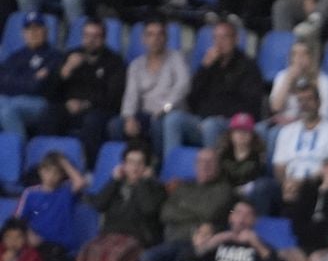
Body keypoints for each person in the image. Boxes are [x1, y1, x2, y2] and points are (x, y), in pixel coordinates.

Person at [167, 19, 268, 155]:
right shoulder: (209, 65)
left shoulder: (248, 66)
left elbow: (250, 104)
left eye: (225, 37)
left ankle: (212, 172)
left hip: (230, 124)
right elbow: (192, 98)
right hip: (201, 121)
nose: (220, 42)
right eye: (216, 38)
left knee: (211, 125)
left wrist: (218, 116)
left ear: (236, 39)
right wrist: (204, 69)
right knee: (174, 119)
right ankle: (171, 167)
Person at [53, 18, 126, 161]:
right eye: (87, 36)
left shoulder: (114, 61)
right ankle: (47, 164)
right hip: (69, 106)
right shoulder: (71, 56)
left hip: (98, 109)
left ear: (104, 38)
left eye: (96, 36)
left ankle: (90, 166)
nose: (91, 40)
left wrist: (85, 104)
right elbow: (51, 91)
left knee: (92, 121)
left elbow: (113, 97)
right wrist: (66, 70)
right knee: (51, 113)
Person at [120, 21, 191, 152]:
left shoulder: (177, 58)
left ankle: (160, 166)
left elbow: (183, 85)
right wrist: (129, 118)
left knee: (159, 124)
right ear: (144, 39)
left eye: (160, 35)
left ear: (166, 38)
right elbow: (131, 95)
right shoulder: (136, 65)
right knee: (118, 125)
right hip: (146, 113)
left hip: (171, 112)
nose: (155, 39)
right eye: (150, 35)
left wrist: (165, 107)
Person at [0, 17, 59, 147]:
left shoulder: (54, 56)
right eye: (29, 29)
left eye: (37, 28)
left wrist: (15, 82)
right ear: (23, 33)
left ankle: (21, 154)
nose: (33, 33)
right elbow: (2, 83)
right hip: (9, 99)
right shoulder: (15, 56)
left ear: (46, 31)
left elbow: (36, 87)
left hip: (38, 102)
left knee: (6, 111)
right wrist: (29, 79)